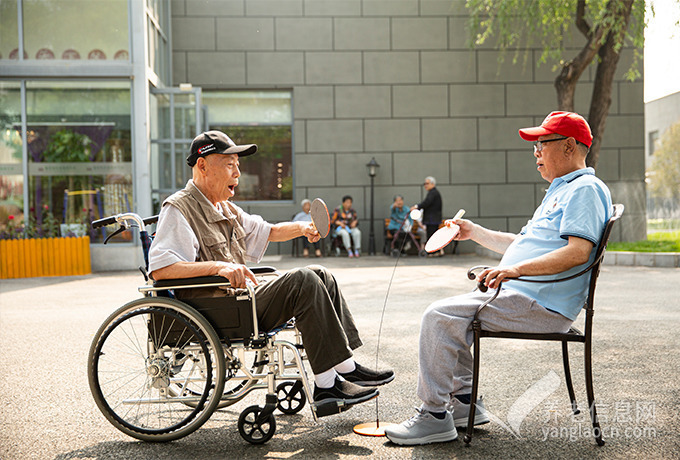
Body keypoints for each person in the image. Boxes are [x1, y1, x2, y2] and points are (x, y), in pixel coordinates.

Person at [385, 111, 613, 445]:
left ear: (568, 146)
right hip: (529, 295)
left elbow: (578, 252)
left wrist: (516, 270)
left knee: (439, 316)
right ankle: (464, 405)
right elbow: (521, 245)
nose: (535, 151)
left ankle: (434, 416)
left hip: (541, 303)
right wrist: (474, 232)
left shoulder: (585, 189)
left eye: (542, 143)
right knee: (453, 314)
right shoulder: (561, 190)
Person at [148, 130, 394, 412]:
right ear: (202, 165)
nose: (238, 172)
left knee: (320, 273)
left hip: (239, 300)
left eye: (237, 165)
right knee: (302, 280)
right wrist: (220, 266)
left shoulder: (225, 208)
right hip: (216, 308)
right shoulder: (179, 209)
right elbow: (163, 268)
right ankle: (327, 386)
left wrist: (303, 228)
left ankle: (345, 365)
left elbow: (270, 231)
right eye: (230, 164)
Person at [411, 176, 443, 256]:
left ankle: (434, 252)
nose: (425, 185)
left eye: (427, 183)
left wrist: (416, 206)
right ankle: (435, 251)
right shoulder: (433, 192)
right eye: (425, 183)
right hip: (433, 219)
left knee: (431, 236)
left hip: (432, 219)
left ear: (433, 184)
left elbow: (427, 203)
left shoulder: (433, 193)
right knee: (432, 235)